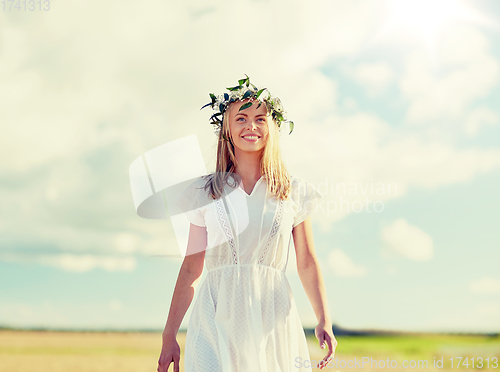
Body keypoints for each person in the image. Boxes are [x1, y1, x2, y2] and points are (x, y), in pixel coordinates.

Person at [158, 76, 337, 371]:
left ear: (272, 128)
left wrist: (323, 318)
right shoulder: (205, 192)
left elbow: (306, 261)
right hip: (215, 315)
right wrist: (169, 334)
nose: (250, 126)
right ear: (226, 128)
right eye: (241, 118)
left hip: (272, 315)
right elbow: (191, 267)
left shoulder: (292, 191)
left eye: (260, 118)